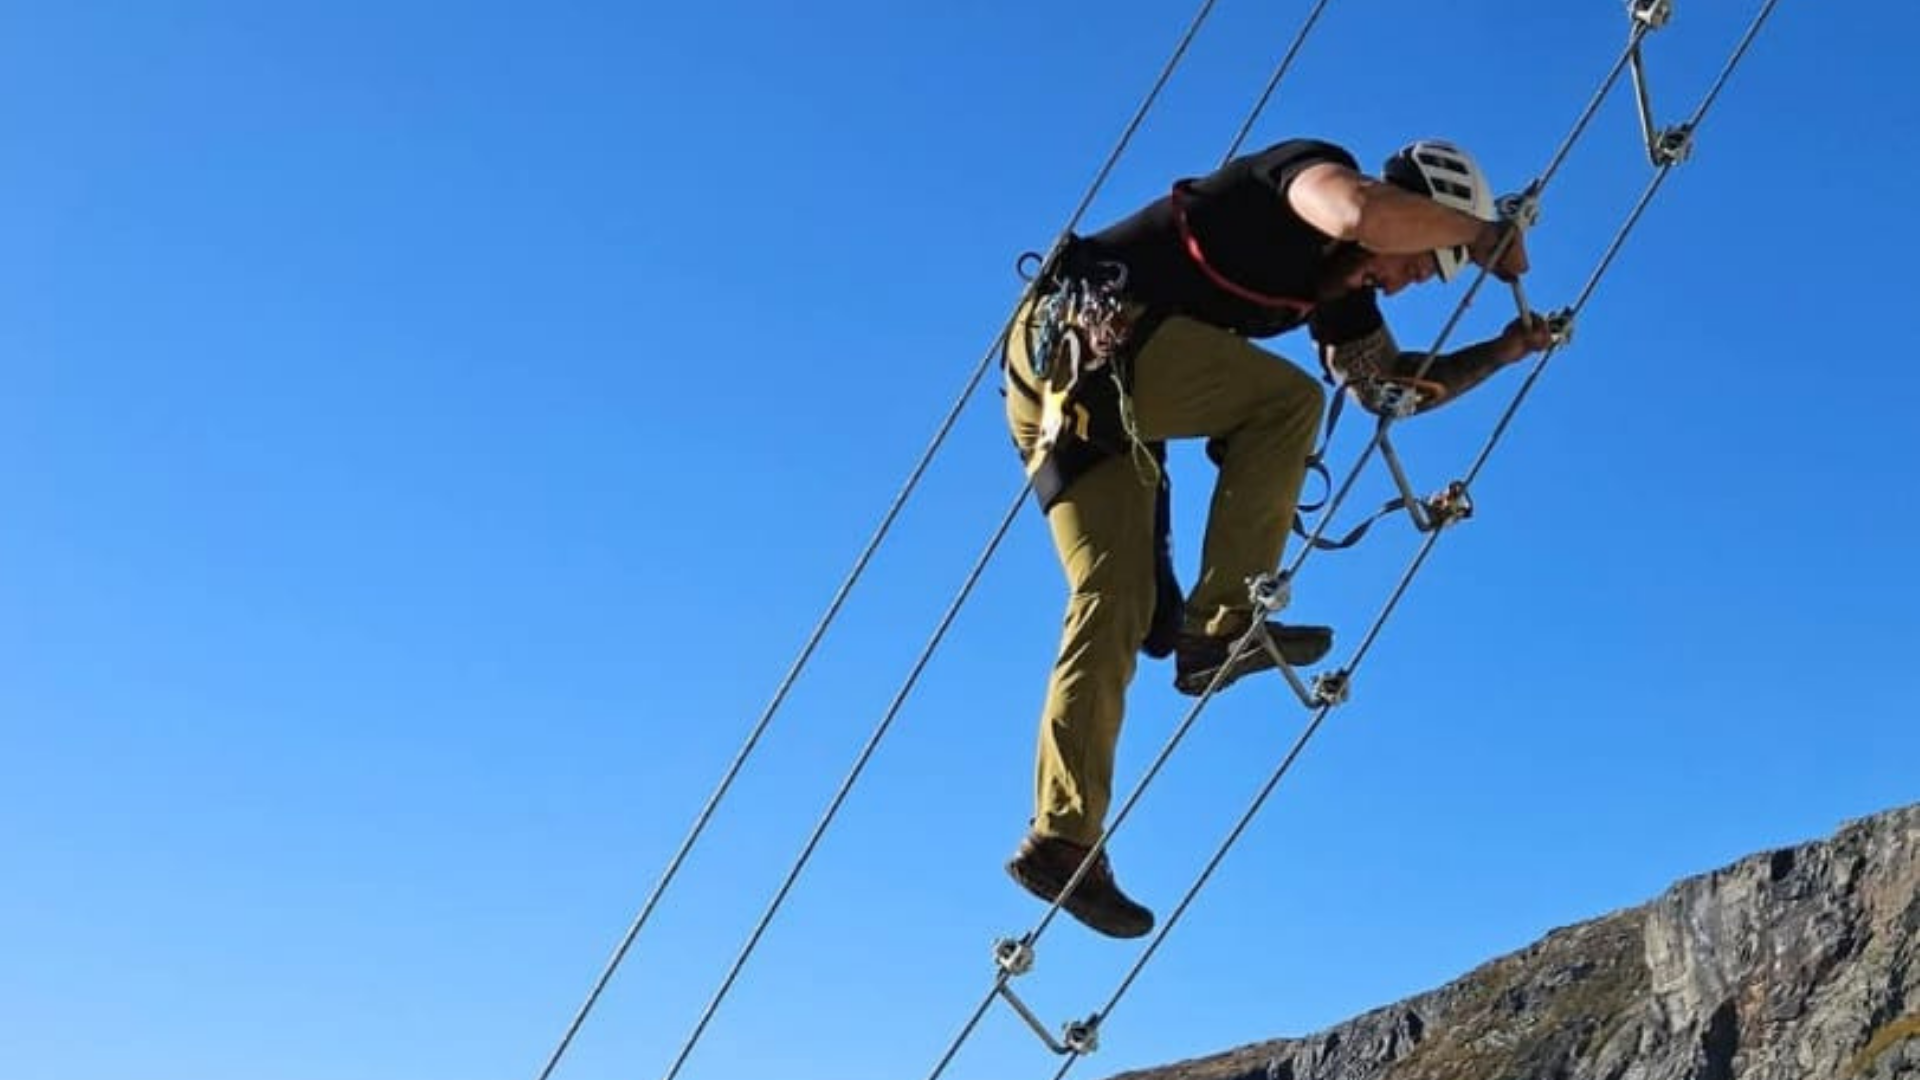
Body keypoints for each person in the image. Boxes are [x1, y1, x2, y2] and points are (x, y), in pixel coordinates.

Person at [999, 136, 1558, 939]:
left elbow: (1383, 389)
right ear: (1416, 212)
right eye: (1423, 261)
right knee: (1287, 403)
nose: (1409, 281)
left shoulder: (1339, 293)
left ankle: (1063, 838)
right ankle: (1222, 628)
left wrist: (1501, 353)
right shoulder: (1305, 176)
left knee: (1115, 597)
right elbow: (1357, 211)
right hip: (1089, 335)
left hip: (1071, 387)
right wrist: (1478, 235)